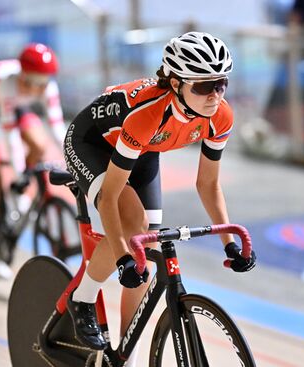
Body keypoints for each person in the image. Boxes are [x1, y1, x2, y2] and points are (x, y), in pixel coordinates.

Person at [63, 31, 257, 364]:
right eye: (202, 86)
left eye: (221, 84)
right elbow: (109, 198)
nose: (214, 95)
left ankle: (126, 357)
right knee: (133, 226)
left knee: (146, 250)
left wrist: (229, 243)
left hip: (143, 149)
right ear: (175, 83)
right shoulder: (148, 115)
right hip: (93, 143)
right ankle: (82, 299)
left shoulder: (220, 115)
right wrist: (123, 257)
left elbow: (208, 184)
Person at [0, 43, 67, 279]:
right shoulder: (7, 85)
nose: (39, 88)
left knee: (39, 145)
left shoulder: (46, 86)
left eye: (43, 83)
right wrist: (20, 175)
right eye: (33, 83)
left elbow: (58, 128)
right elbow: (11, 137)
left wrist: (73, 161)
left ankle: (16, 194)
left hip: (16, 105)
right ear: (22, 76)